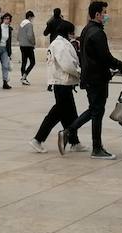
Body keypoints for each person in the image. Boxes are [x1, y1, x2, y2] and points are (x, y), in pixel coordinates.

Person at [67, 0, 122, 160]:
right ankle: (97, 148)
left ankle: (71, 130)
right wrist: (119, 64)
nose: (106, 15)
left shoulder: (87, 30)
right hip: (97, 78)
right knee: (97, 111)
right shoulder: (98, 33)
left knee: (94, 109)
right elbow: (105, 56)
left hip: (90, 76)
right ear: (98, 14)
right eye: (105, 12)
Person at [31, 20, 83, 153]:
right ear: (67, 32)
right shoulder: (60, 44)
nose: (72, 35)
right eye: (71, 32)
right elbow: (67, 64)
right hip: (62, 83)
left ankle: (74, 142)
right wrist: (79, 73)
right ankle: (37, 139)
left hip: (64, 83)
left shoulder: (59, 43)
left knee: (70, 114)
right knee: (56, 114)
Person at [17, 10, 38, 86]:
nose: (32, 19)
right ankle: (24, 77)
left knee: (24, 62)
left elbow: (18, 36)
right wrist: (33, 43)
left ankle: (23, 78)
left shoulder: (21, 24)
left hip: (22, 45)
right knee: (32, 62)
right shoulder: (29, 24)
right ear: (29, 17)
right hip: (28, 46)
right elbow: (30, 36)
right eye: (32, 17)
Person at [0, 12, 14, 90]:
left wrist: (9, 52)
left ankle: (5, 82)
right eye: (5, 18)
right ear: (3, 19)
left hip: (4, 49)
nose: (7, 20)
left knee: (5, 65)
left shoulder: (9, 29)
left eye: (8, 19)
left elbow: (9, 41)